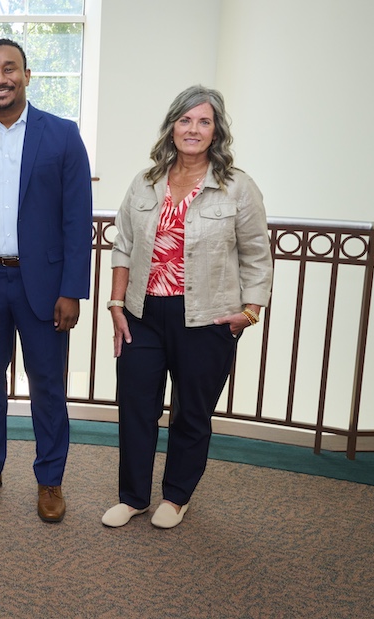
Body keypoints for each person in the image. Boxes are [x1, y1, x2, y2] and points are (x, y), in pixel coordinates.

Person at [102, 85, 272, 529]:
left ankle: (176, 497)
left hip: (206, 318)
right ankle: (133, 496)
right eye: (185, 120)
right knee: (136, 407)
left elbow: (257, 254)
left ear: (216, 132)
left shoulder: (237, 188)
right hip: (142, 314)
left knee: (191, 413)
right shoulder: (145, 182)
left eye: (203, 122)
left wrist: (250, 312)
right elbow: (123, 247)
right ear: (172, 126)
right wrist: (117, 304)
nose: (193, 129)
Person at [0, 38, 93, 523]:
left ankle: (50, 480)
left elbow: (77, 219)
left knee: (47, 386)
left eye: (9, 69)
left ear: (27, 75)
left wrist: (73, 289)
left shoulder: (63, 135)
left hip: (44, 288)